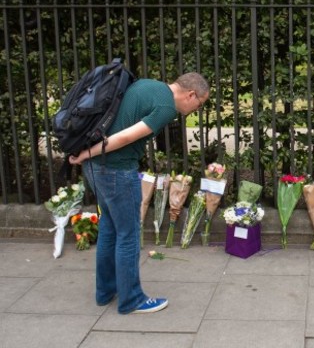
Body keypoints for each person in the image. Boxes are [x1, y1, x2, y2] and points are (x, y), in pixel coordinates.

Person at [69, 72, 209, 313]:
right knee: (129, 234)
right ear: (191, 94)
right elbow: (124, 137)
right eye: (200, 103)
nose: (197, 108)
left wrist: (86, 157)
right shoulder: (167, 106)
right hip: (116, 171)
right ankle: (131, 300)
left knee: (109, 228)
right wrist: (86, 154)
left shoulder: (148, 84)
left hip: (96, 169)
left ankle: (104, 292)